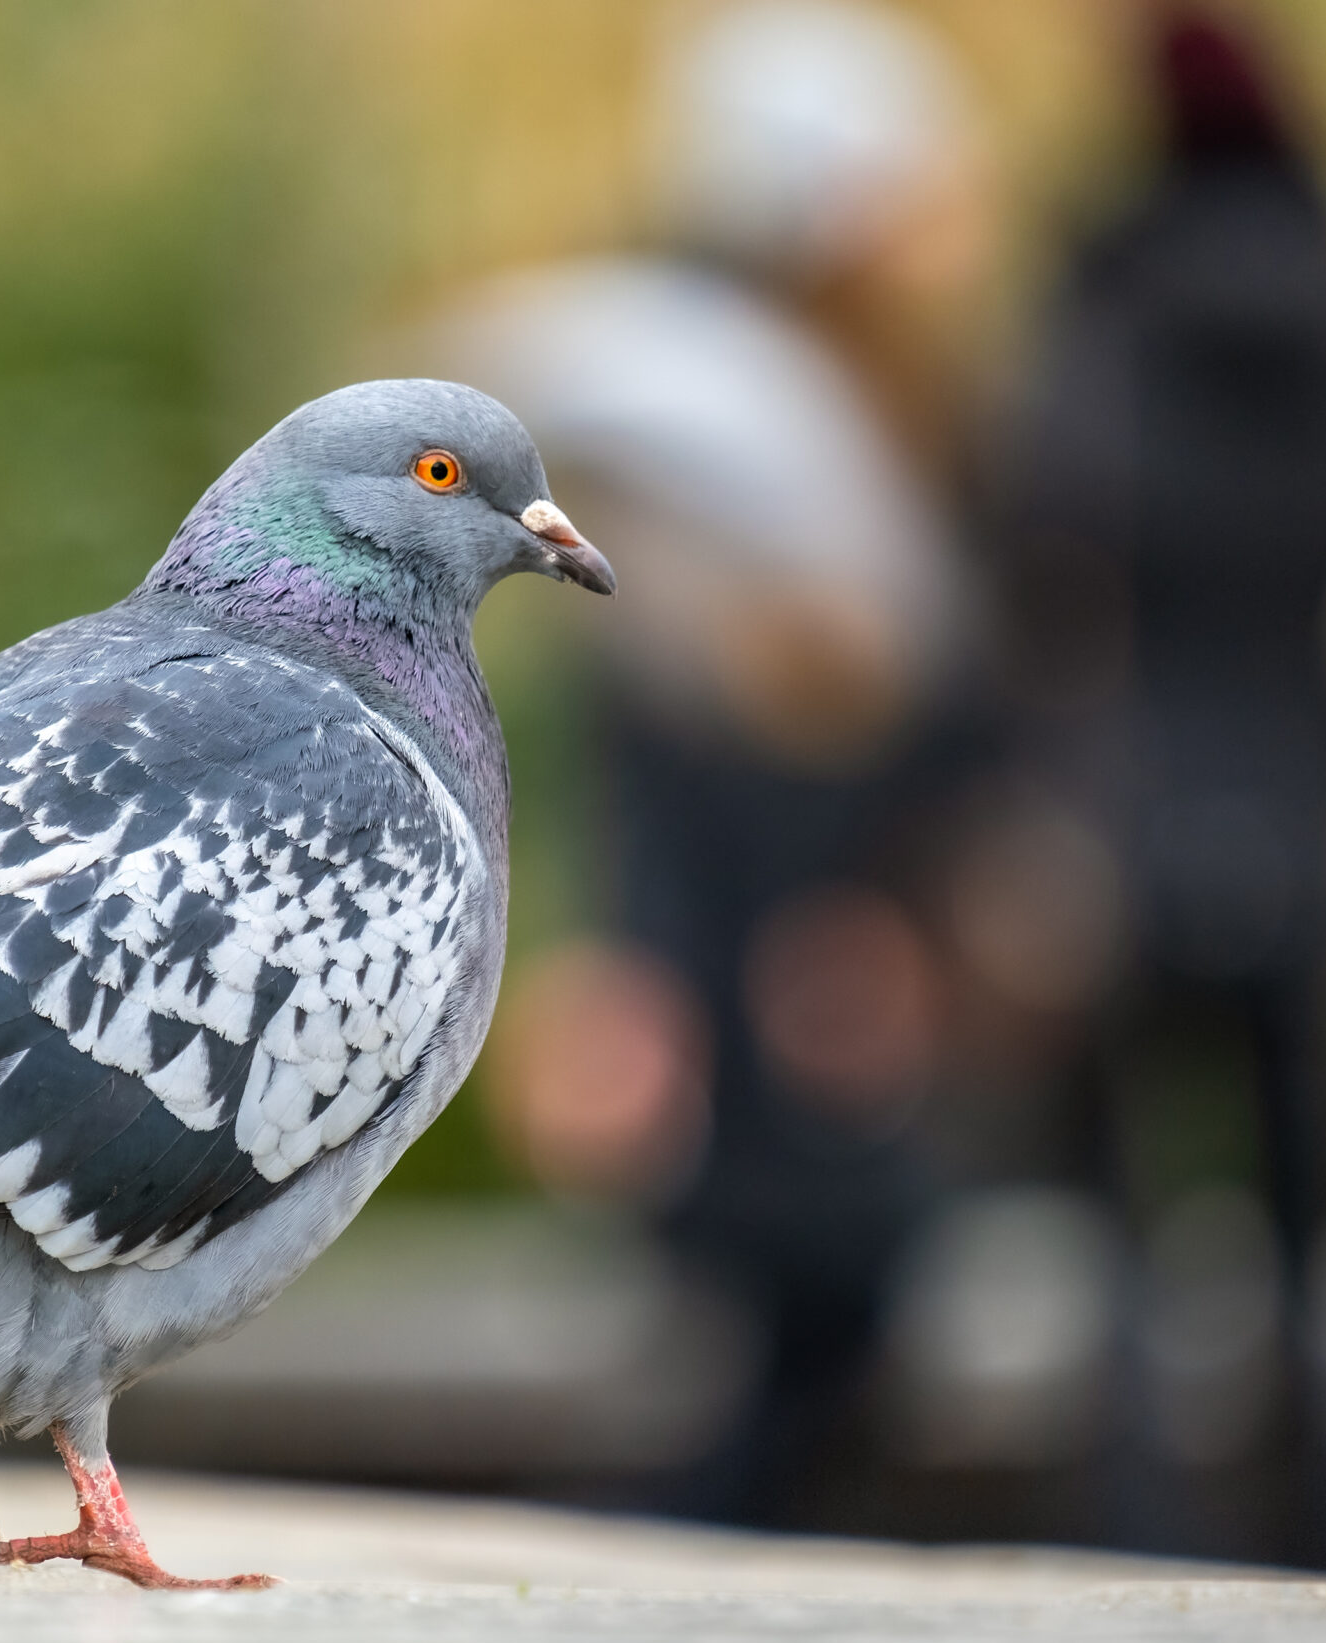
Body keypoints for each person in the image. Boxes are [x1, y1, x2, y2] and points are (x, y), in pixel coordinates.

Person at [434, 2, 1035, 1527]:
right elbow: (676, 725)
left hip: (824, 947)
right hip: (772, 955)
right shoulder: (729, 411)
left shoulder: (840, 406)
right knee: (796, 1312)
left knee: (823, 1323)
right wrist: (639, 958)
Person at [991, 6, 1326, 1563]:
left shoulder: (1097, 324)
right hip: (1302, 831)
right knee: (1304, 1226)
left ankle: (1133, 1532)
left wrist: (1050, 763)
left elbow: (1012, 580)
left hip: (1120, 832)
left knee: (1124, 1230)